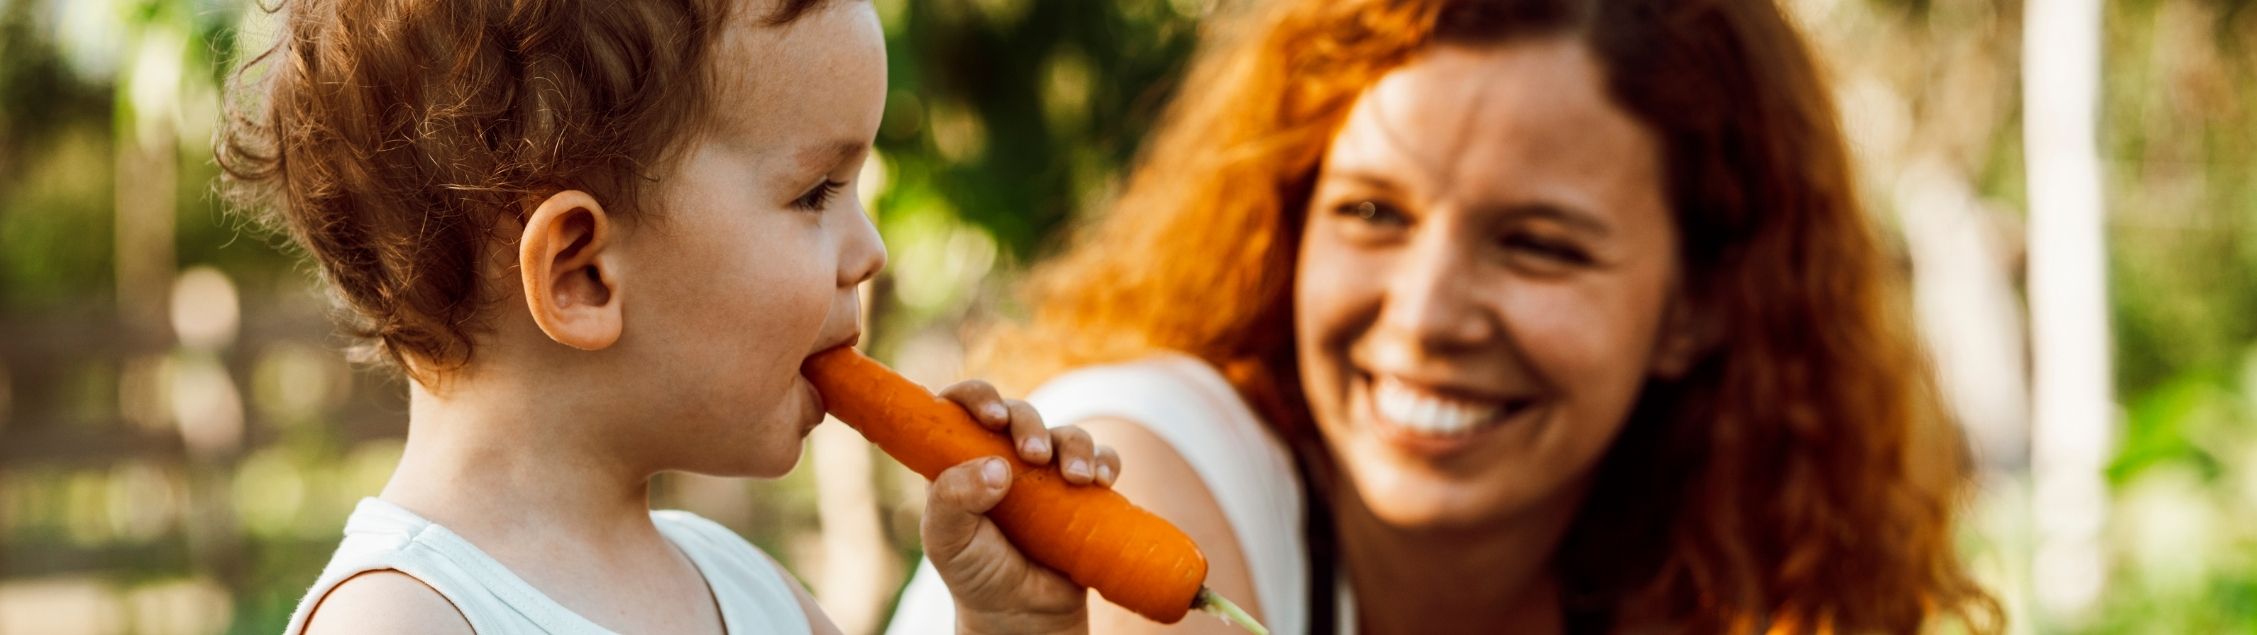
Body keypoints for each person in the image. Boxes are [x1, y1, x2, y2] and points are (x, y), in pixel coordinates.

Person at [890, 0, 2004, 632]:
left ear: (1696, 306)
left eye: (1537, 245)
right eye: (1373, 211)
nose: (1423, 315)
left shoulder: (1683, 571)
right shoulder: (1140, 464)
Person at [218, 0, 1115, 633]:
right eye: (814, 193)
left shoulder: (752, 592)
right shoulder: (407, 620)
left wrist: (1008, 629)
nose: (870, 250)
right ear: (582, 274)